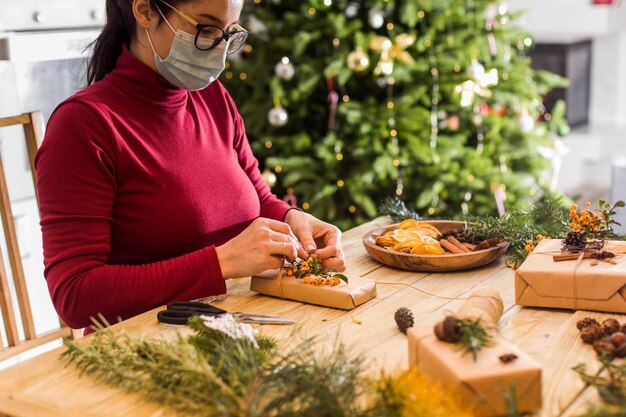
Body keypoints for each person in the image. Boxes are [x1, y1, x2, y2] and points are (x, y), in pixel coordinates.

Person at [35, 0, 346, 330]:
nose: (221, 52)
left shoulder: (214, 99)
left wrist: (292, 218)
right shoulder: (84, 125)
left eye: (230, 33)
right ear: (145, 12)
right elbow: (75, 295)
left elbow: (257, 199)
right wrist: (221, 262)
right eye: (206, 29)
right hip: (144, 351)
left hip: (232, 328)